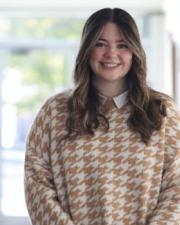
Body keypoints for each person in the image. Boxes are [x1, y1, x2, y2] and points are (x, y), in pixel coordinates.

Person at [24, 8, 180, 225]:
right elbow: (37, 183)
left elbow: (177, 187)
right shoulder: (55, 111)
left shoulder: (162, 110)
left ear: (134, 51)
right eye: (100, 43)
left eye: (122, 45)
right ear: (87, 49)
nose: (111, 54)